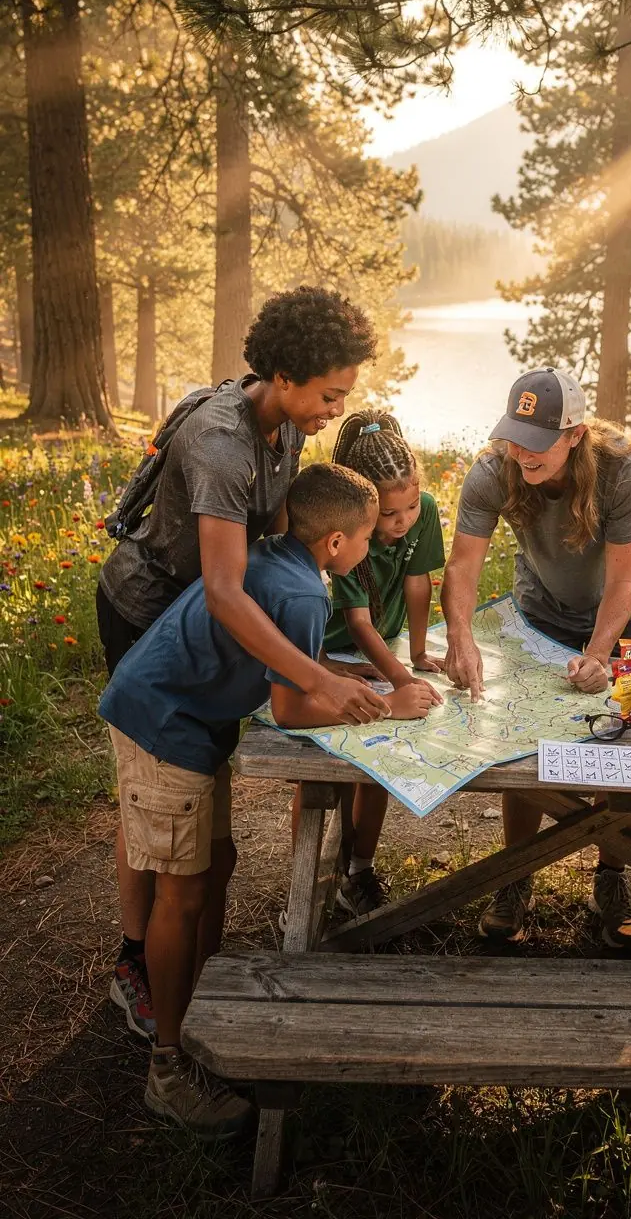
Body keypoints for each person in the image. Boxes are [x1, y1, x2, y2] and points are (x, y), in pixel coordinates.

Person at [96, 286, 390, 1040]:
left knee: (195, 790)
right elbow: (227, 591)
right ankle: (138, 960)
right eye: (330, 395)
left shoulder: (284, 424)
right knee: (155, 788)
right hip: (152, 608)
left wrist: (321, 650)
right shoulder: (222, 444)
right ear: (284, 377)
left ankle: (183, 951)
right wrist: (318, 679)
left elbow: (284, 545)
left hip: (202, 613)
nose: (336, 411)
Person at [98, 463, 387, 1136]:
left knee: (216, 865)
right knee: (182, 894)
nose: (370, 547)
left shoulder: (275, 556)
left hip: (192, 723)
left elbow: (283, 656)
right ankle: (168, 1068)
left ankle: (197, 1008)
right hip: (162, 725)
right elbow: (289, 709)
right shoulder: (307, 596)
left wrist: (341, 673)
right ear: (336, 543)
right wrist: (388, 706)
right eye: (367, 536)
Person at [441, 368, 631, 949]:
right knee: (525, 738)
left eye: (537, 441)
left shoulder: (623, 469)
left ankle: (611, 877)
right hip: (541, 610)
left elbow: (623, 581)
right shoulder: (493, 470)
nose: (522, 452)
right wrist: (460, 635)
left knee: (625, 738)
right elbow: (462, 565)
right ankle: (516, 876)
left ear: (575, 435)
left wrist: (599, 655)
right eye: (515, 436)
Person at [317, 410, 447, 915]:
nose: (403, 522)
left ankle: (359, 870)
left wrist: (416, 653)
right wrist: (402, 680)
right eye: (390, 515)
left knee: (376, 767)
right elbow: (357, 622)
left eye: (411, 506)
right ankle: (314, 880)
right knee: (324, 770)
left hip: (384, 649)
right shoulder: (349, 526)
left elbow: (418, 584)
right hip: (332, 651)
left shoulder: (425, 511)